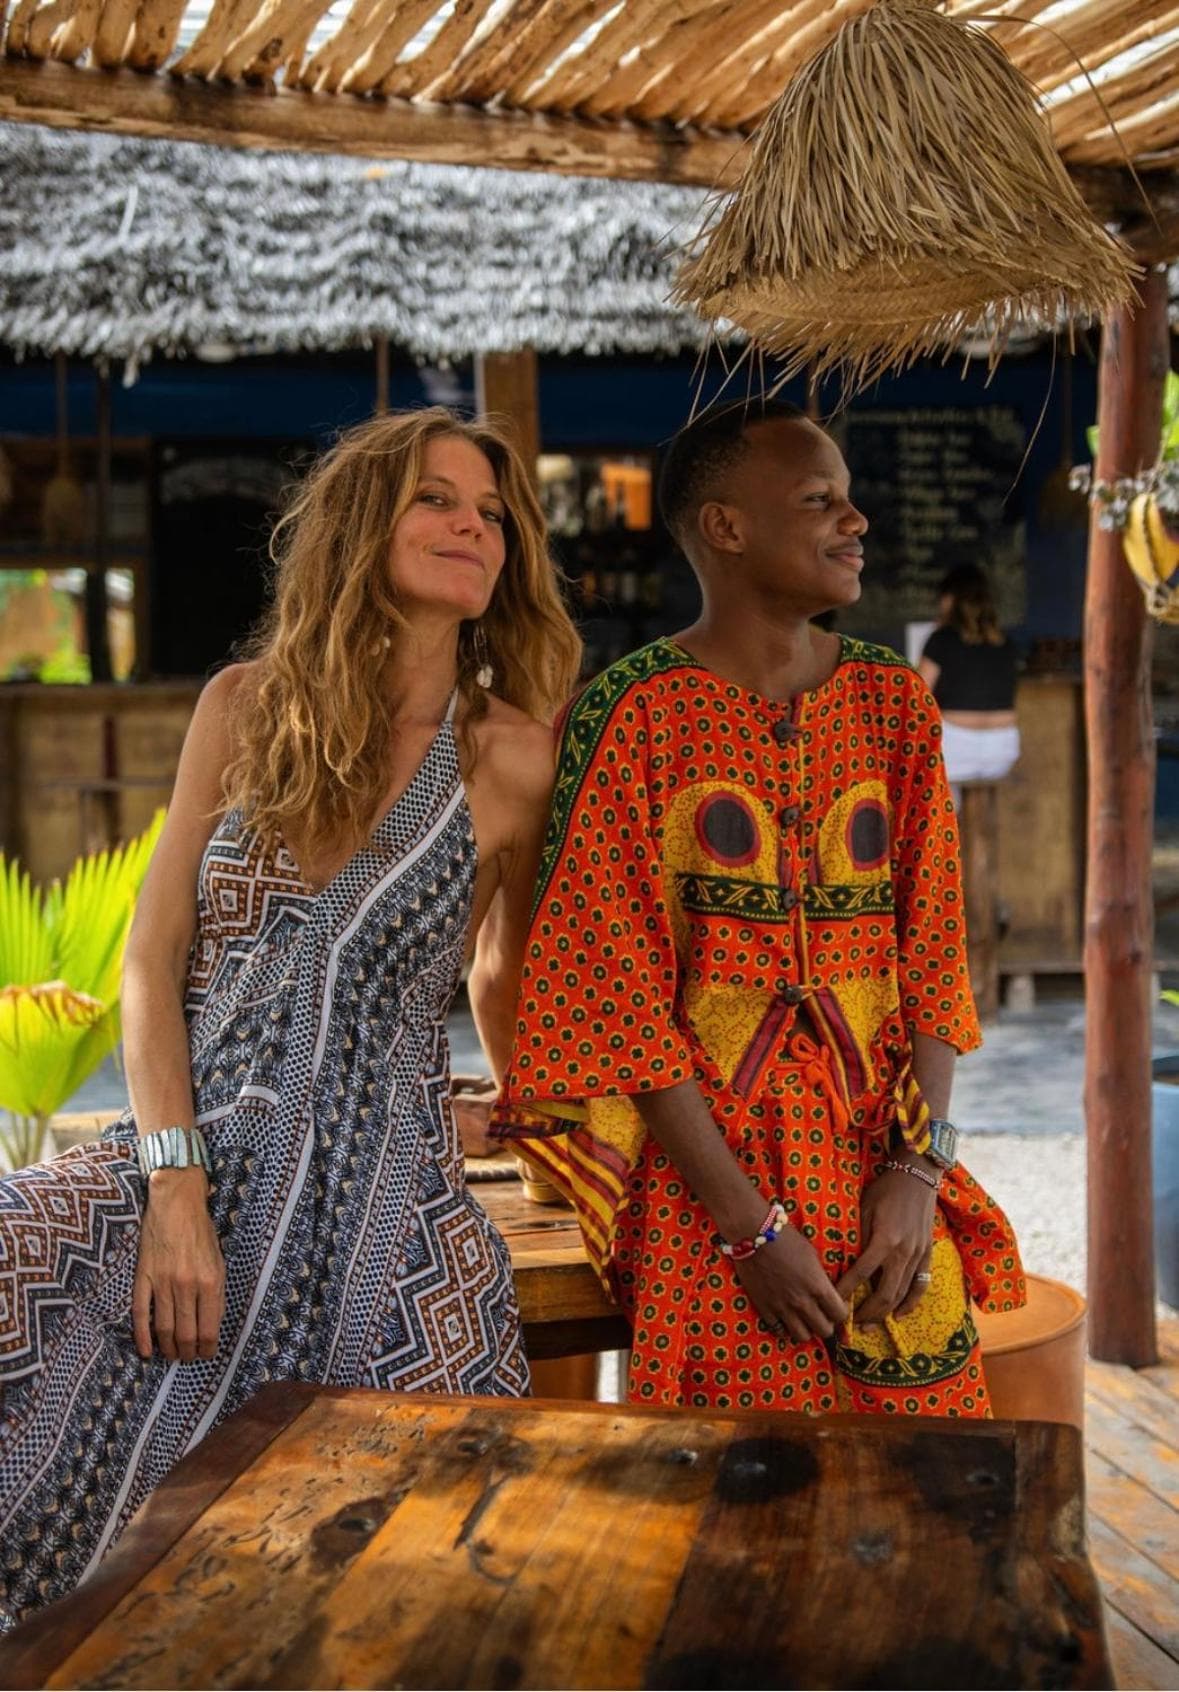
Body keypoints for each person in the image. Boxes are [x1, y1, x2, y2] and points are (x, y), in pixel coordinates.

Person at [0, 407, 581, 1629]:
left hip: (386, 1183)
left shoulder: (517, 759)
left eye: (491, 513)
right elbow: (151, 962)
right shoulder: (242, 708)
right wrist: (174, 1186)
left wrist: (537, 1116)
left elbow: (507, 978)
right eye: (436, 500)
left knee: (416, 1502)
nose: (471, 527)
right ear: (363, 524)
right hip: (189, 1149)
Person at [493, 399, 1024, 1416]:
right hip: (707, 1196)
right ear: (725, 526)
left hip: (885, 1172)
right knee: (737, 1483)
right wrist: (748, 1229)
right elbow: (614, 999)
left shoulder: (893, 704)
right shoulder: (633, 713)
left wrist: (920, 1171)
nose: (855, 520)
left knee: (926, 1478)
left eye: (850, 499)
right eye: (820, 500)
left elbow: (933, 950)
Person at [918, 564, 1020, 801]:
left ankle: (948, 820)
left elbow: (918, 698)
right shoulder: (1007, 644)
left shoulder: (941, 640)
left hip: (955, 751)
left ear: (949, 600)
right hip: (1002, 752)